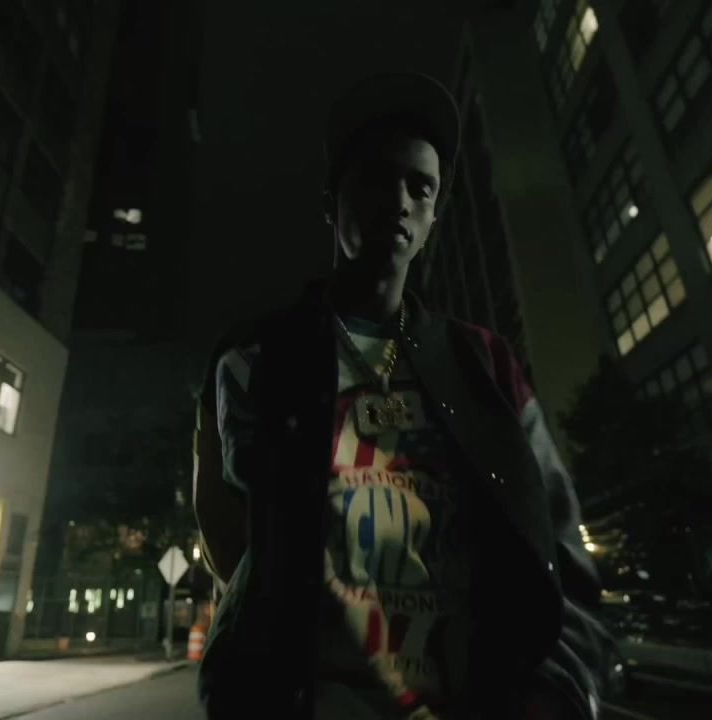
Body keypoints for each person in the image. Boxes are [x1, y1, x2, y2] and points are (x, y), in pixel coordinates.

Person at [193, 72, 602, 720]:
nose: (400, 201)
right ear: (330, 202)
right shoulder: (253, 359)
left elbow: (557, 549)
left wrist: (555, 692)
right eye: (376, 179)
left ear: (435, 214)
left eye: (421, 187)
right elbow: (230, 544)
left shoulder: (485, 365)